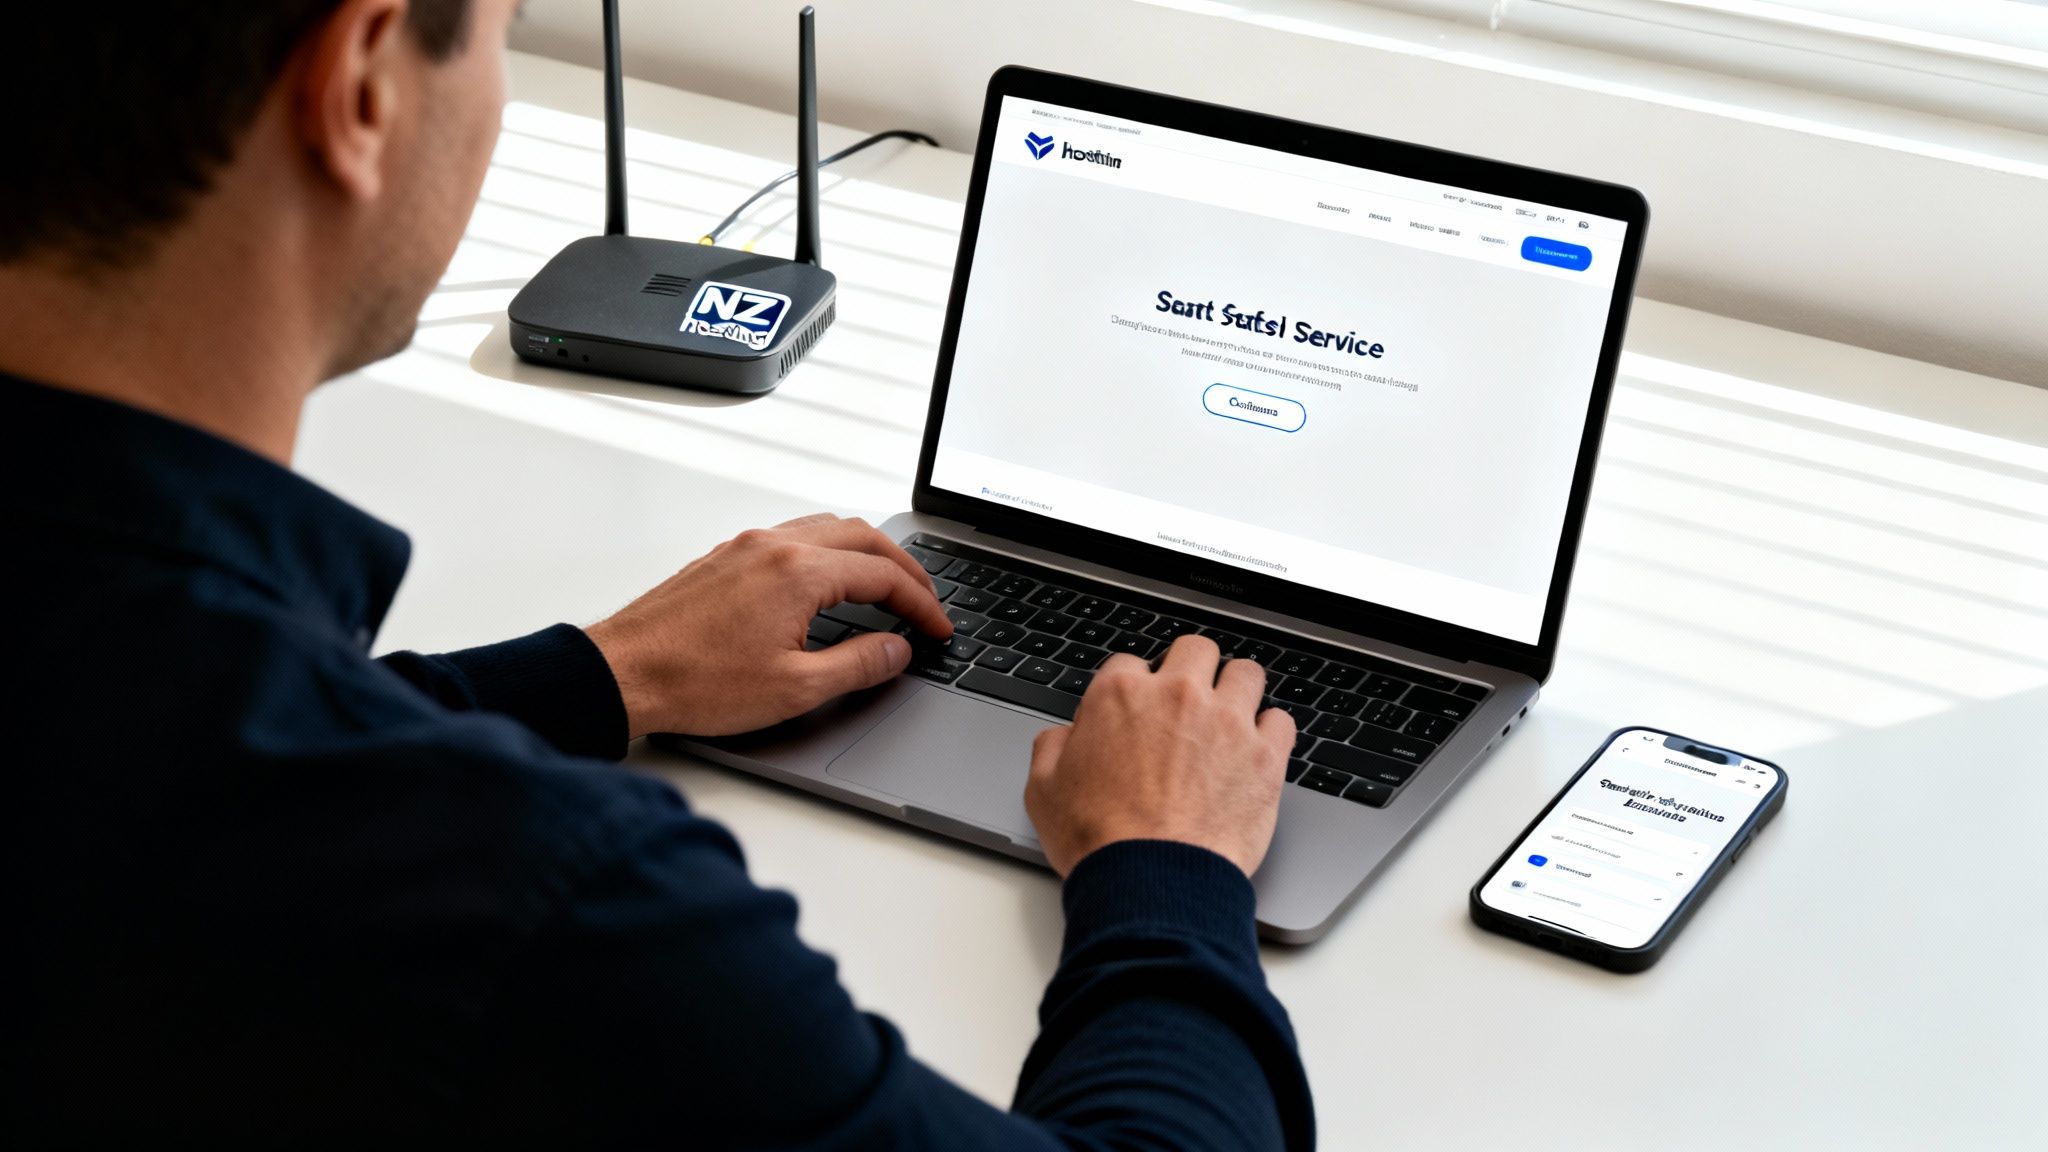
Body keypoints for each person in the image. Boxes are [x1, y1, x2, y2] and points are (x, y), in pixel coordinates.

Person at [2, 3, 1312, 1148]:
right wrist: (1168, 862)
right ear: (358, 84)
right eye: (508, 33)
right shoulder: (550, 911)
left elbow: (170, 747)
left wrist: (600, 675)